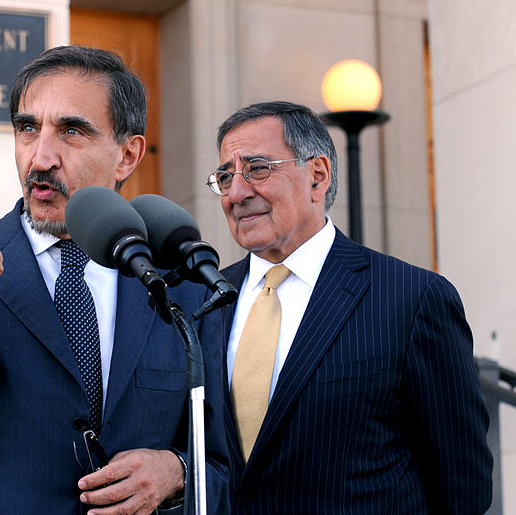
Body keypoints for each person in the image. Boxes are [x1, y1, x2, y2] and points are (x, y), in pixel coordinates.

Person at [0, 45, 229, 515]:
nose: (40, 157)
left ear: (127, 155)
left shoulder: (179, 285)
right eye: (27, 129)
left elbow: (226, 466)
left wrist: (178, 471)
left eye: (71, 131)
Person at [209, 101, 492, 514]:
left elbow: (463, 486)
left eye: (257, 168)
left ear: (317, 176)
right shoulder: (203, 298)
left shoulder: (411, 298)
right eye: (225, 176)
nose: (236, 193)